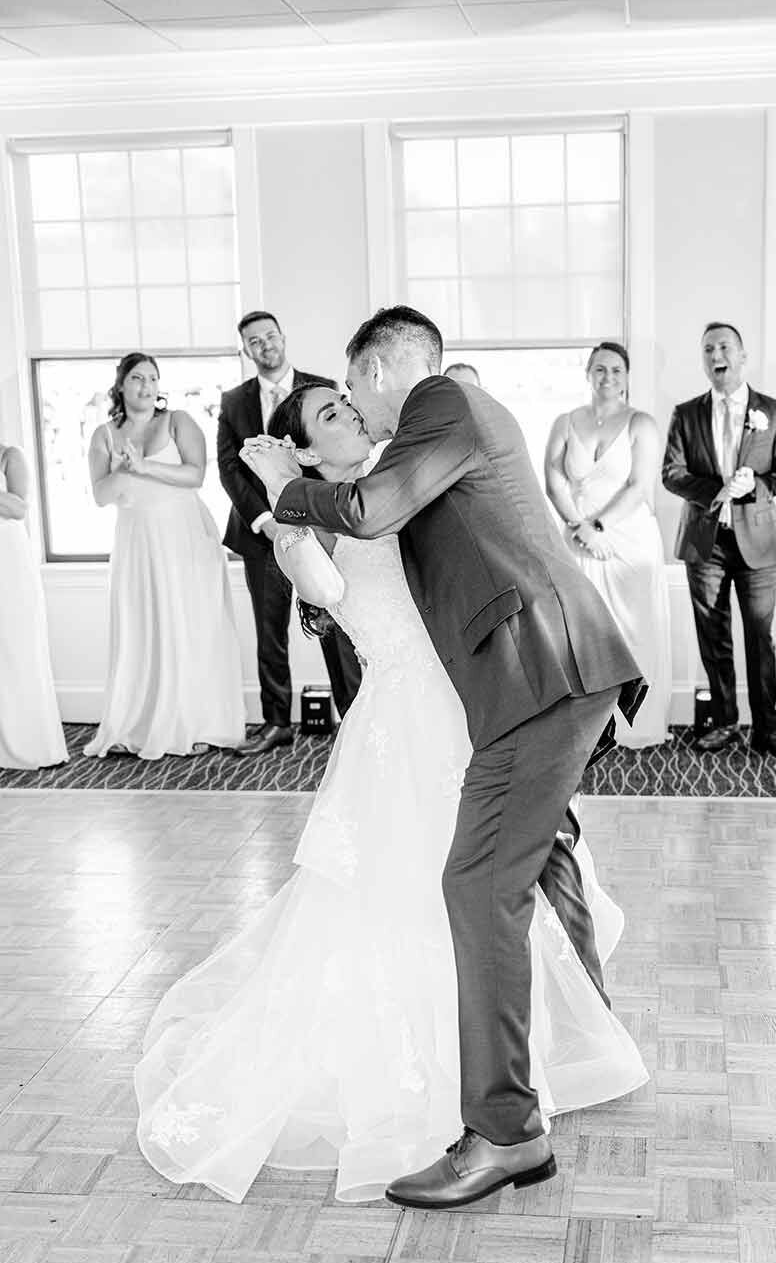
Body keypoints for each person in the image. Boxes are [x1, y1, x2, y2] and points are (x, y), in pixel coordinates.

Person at [134, 382, 648, 1205]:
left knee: (530, 868)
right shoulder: (312, 512)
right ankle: (472, 1093)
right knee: (433, 885)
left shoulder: (401, 470)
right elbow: (325, 593)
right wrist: (279, 500)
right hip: (405, 723)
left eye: (347, 400)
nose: (346, 412)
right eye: (327, 415)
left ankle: (545, 1058)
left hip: (479, 696)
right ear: (302, 450)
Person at [84, 353, 245, 760]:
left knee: (189, 625)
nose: (146, 385)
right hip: (136, 538)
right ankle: (136, 724)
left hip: (183, 534)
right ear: (121, 385)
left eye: (153, 378)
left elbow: (196, 475)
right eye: (137, 378)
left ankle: (195, 722)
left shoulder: (178, 422)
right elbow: (101, 497)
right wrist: (123, 470)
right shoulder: (104, 434)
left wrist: (144, 468)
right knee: (142, 626)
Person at [217, 310, 361, 756]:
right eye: (254, 341)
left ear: (283, 337)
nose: (265, 345)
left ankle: (354, 715)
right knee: (269, 630)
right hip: (258, 533)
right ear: (246, 350)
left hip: (320, 526)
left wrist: (303, 515)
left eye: (270, 336)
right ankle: (276, 721)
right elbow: (230, 468)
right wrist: (266, 520)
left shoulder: (320, 389)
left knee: (335, 621)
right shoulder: (233, 401)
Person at [662, 321, 776, 758]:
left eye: (724, 347)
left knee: (760, 637)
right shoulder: (685, 414)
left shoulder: (775, 412)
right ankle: (724, 723)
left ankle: (768, 728)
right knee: (713, 635)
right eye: (707, 349)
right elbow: (671, 474)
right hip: (706, 542)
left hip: (757, 541)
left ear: (743, 357)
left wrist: (754, 486)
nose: (715, 354)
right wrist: (719, 490)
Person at [546, 341, 671, 748]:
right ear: (588, 373)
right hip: (577, 535)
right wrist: (577, 525)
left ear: (627, 376)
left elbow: (640, 485)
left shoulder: (642, 424)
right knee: (582, 631)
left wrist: (598, 526)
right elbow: (553, 478)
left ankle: (638, 722)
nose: (608, 377)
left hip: (628, 538)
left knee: (633, 628)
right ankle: (591, 723)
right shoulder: (566, 421)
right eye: (600, 369)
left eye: (616, 370)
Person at [0, 442, 67, 771]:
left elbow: (18, 508)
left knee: (15, 646)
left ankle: (26, 742)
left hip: (7, 557)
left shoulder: (9, 455)